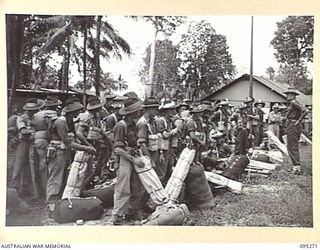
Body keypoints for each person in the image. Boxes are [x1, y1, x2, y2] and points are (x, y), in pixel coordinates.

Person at [46, 98, 96, 210]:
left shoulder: (69, 122)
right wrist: (86, 148)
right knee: (56, 176)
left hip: (66, 151)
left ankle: (62, 199)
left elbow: (75, 136)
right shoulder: (61, 122)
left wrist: (86, 146)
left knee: (66, 174)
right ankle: (51, 200)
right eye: (77, 111)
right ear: (72, 112)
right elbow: (67, 142)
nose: (79, 113)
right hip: (58, 151)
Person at [112, 97, 146, 225]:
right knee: (123, 188)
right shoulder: (121, 126)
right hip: (125, 158)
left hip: (133, 156)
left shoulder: (133, 125)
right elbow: (118, 149)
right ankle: (118, 216)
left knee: (136, 187)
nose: (139, 112)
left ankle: (130, 212)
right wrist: (133, 159)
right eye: (137, 110)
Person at [9, 98, 45, 198]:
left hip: (32, 142)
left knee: (30, 166)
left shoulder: (36, 118)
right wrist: (34, 131)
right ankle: (13, 190)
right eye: (32, 110)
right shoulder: (21, 118)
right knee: (18, 165)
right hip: (22, 142)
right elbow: (23, 131)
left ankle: (26, 189)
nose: (34, 111)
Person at [30, 96, 62, 200]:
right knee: (52, 166)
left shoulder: (36, 115)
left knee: (42, 165)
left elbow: (33, 128)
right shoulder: (57, 115)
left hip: (39, 141)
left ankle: (42, 190)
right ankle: (50, 191)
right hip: (53, 142)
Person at [283, 87, 308, 175]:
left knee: (292, 146)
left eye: (289, 94)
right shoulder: (292, 103)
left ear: (293, 95)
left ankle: (297, 168)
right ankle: (295, 166)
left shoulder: (294, 102)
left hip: (293, 125)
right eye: (287, 94)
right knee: (291, 146)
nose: (287, 96)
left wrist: (299, 120)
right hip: (292, 125)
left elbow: (305, 111)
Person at [156, 100, 178, 183]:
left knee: (169, 171)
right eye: (171, 110)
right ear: (166, 111)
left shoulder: (170, 121)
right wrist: (174, 131)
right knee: (162, 172)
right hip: (162, 150)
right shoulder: (161, 121)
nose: (173, 111)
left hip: (169, 149)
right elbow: (165, 135)